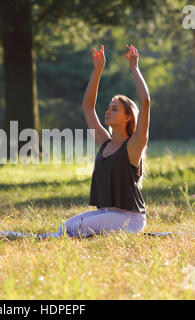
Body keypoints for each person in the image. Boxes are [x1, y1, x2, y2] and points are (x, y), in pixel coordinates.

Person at [57, 43, 150, 238]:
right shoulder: (105, 142)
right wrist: (97, 70)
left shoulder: (134, 145)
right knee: (63, 229)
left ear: (127, 117)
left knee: (78, 231)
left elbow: (145, 102)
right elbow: (88, 108)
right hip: (108, 213)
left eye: (114, 109)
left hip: (130, 218)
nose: (108, 111)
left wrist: (134, 67)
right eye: (108, 107)